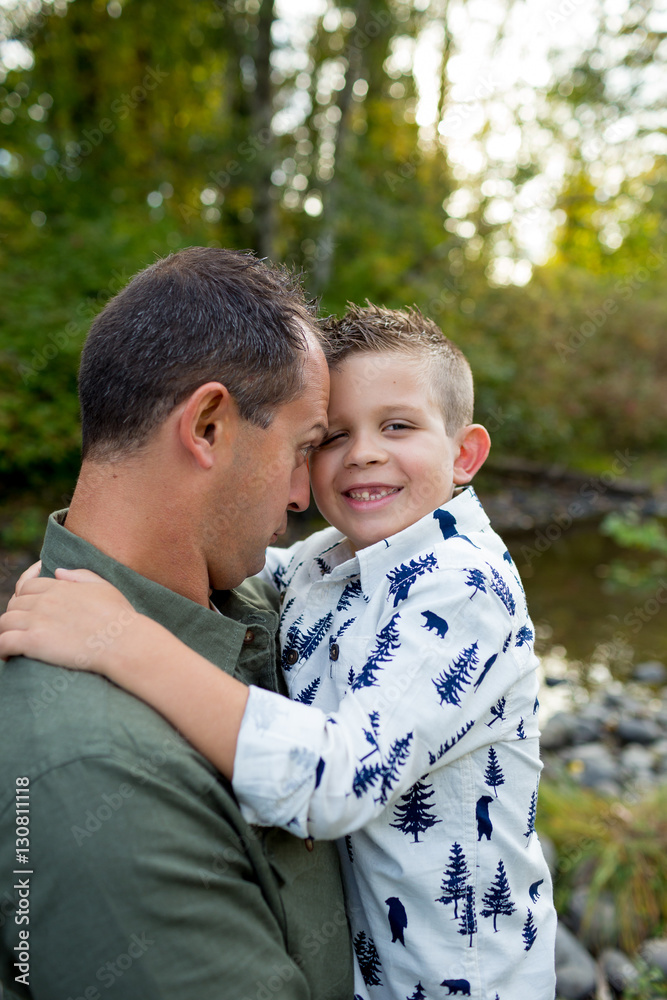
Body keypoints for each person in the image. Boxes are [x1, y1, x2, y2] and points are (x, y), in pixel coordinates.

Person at [2, 305, 558, 999]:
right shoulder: (332, 557)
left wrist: (121, 639)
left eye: (397, 426)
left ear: (465, 454)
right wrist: (84, 575)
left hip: (461, 982)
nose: (362, 453)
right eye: (330, 437)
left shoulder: (462, 588)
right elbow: (212, 562)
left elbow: (338, 781)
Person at [0, 247, 354, 999]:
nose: (303, 495)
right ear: (209, 426)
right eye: (303, 449)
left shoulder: (261, 605)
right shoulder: (91, 770)